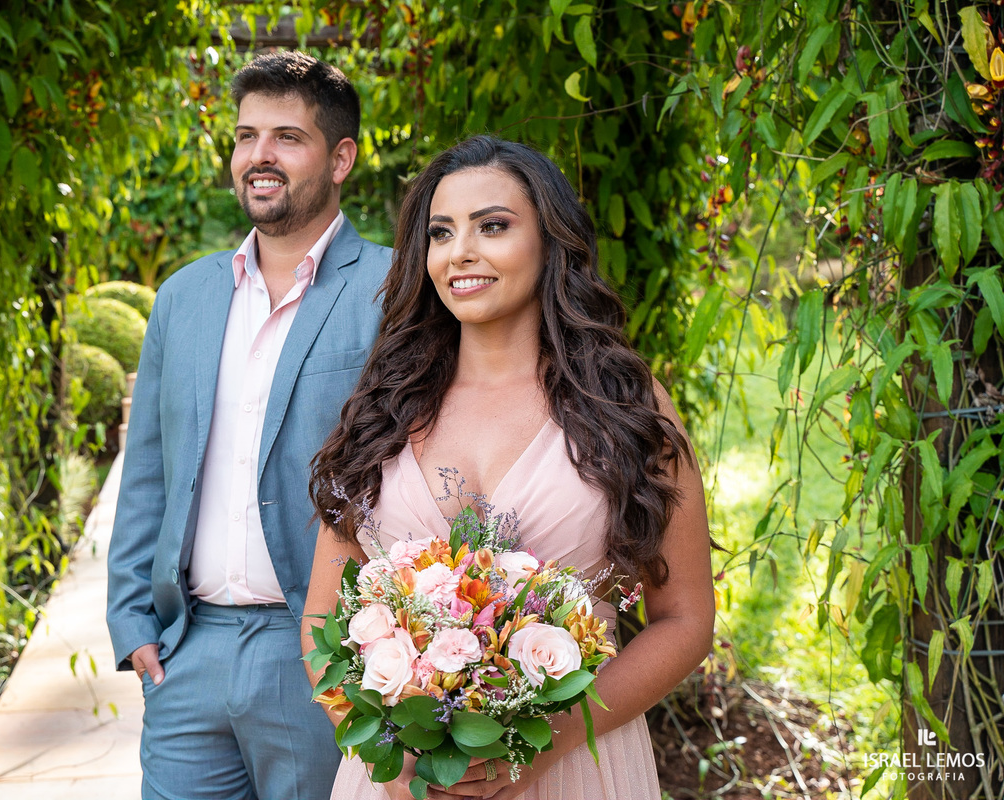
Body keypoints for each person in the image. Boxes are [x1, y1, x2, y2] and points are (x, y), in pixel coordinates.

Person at [302, 136, 715, 800]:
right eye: (441, 233)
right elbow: (323, 620)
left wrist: (546, 745)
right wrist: (388, 748)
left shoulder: (625, 407)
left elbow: (685, 619)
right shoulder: (381, 410)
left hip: (577, 766)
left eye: (492, 226)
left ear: (551, 242)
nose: (461, 250)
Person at [106, 51, 391, 800]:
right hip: (187, 652)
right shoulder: (184, 296)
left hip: (321, 652)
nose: (258, 155)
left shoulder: (394, 291)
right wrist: (133, 619)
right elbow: (148, 472)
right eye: (245, 135)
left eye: (286, 137)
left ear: (341, 158)